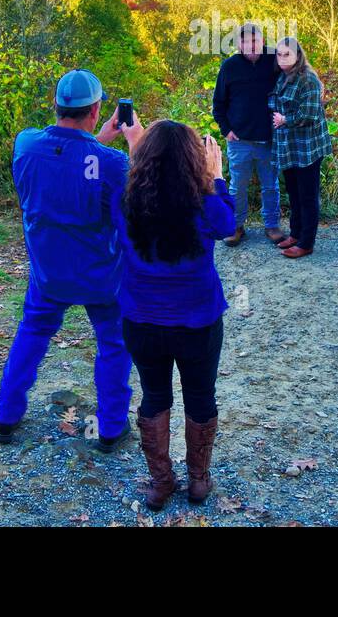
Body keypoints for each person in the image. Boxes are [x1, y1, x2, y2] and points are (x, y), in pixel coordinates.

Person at [0, 69, 144, 452]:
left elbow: (64, 159)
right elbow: (135, 207)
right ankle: (110, 427)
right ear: (96, 110)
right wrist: (135, 145)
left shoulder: (26, 145)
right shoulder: (110, 162)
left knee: (32, 332)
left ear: (57, 105)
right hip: (101, 277)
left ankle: (5, 416)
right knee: (112, 342)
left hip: (49, 272)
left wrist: (96, 140)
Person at [115, 121, 234, 510]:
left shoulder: (126, 199)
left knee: (154, 395)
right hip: (197, 321)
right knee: (200, 395)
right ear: (194, 160)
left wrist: (136, 151)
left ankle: (160, 482)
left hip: (142, 320)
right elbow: (228, 225)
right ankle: (198, 481)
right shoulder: (204, 204)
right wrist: (217, 178)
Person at [211, 22, 283, 247]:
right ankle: (236, 226)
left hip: (269, 138)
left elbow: (297, 71)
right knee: (237, 186)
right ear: (239, 44)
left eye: (255, 40)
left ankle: (272, 226)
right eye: (245, 41)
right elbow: (218, 104)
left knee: (270, 185)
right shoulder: (230, 67)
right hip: (239, 140)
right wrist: (227, 130)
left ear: (262, 41)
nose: (250, 45)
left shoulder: (274, 60)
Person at [269, 37, 332, 258]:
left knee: (307, 195)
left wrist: (285, 119)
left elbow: (310, 114)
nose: (282, 58)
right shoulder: (283, 77)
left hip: (308, 147)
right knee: (293, 193)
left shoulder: (309, 80)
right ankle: (295, 233)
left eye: (287, 54)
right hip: (289, 147)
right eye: (279, 54)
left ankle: (306, 242)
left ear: (298, 55)